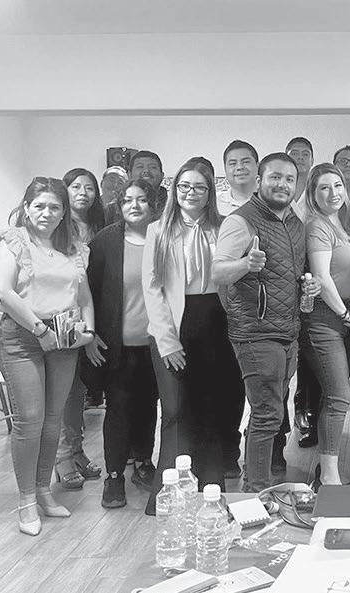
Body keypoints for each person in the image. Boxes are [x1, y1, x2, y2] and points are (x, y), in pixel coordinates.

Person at [0, 177, 95, 536]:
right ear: (26, 208)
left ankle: (42, 491)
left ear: (64, 212)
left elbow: (84, 296)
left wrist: (89, 331)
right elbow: (3, 292)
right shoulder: (13, 241)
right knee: (29, 420)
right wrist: (40, 330)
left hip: (64, 337)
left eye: (54, 207)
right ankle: (25, 501)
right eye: (39, 206)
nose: (47, 213)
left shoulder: (74, 248)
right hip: (23, 337)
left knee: (53, 420)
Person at [212, 152, 320, 492]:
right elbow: (218, 272)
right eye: (275, 177)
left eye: (289, 179)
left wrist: (309, 286)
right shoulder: (240, 221)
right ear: (259, 181)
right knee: (267, 414)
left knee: (272, 411)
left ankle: (257, 484)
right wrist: (245, 264)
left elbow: (291, 273)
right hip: (255, 333)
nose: (282, 184)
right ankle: (254, 492)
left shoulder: (295, 224)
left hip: (288, 331)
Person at [144, 157, 246, 510]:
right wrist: (167, 341)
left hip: (216, 321)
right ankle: (168, 496)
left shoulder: (224, 227)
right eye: (185, 186)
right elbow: (152, 289)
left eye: (200, 187)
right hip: (173, 324)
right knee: (175, 410)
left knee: (212, 407)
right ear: (175, 189)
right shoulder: (158, 230)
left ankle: (211, 488)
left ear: (210, 192)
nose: (191, 192)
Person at [82, 178, 160, 509]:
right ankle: (114, 476)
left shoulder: (163, 237)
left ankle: (143, 462)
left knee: (148, 406)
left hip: (155, 344)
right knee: (118, 408)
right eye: (127, 200)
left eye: (141, 199)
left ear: (153, 204)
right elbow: (87, 292)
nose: (134, 205)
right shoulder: (105, 241)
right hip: (116, 345)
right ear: (119, 205)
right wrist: (90, 335)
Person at [300, 163, 350, 486]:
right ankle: (328, 476)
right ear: (313, 194)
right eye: (324, 187)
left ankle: (327, 470)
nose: (333, 193)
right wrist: (345, 314)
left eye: (337, 185)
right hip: (327, 317)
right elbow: (322, 277)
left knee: (337, 394)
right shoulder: (317, 226)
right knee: (339, 395)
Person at [54, 168, 107, 491]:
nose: (83, 193)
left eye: (89, 188)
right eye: (76, 187)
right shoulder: (55, 226)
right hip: (61, 318)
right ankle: (62, 457)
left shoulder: (100, 226)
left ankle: (76, 451)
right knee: (64, 392)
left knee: (78, 391)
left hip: (90, 315)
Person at [285, 137, 321, 449]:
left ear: (312, 159)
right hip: (284, 283)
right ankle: (286, 422)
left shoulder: (315, 193)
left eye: (304, 154)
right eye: (293, 153)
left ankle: (306, 413)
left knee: (310, 356)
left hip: (313, 281)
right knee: (287, 358)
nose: (299, 158)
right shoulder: (280, 191)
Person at [108, 150, 167, 224]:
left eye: (153, 167)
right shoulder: (113, 209)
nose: (146, 171)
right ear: (129, 174)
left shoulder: (173, 207)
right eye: (140, 167)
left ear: (162, 175)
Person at [217, 140, 260, 216]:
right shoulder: (214, 205)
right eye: (233, 163)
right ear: (225, 169)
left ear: (258, 166)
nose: (239, 167)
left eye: (246, 162)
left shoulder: (274, 201)